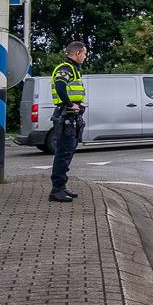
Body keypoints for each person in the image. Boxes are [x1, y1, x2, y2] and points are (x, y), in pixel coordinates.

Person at [49, 41, 88, 203]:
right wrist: (69, 104)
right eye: (84, 54)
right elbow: (60, 85)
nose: (85, 57)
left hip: (70, 116)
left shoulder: (72, 69)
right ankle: (56, 190)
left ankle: (61, 187)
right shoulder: (66, 68)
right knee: (63, 152)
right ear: (77, 53)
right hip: (65, 115)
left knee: (68, 151)